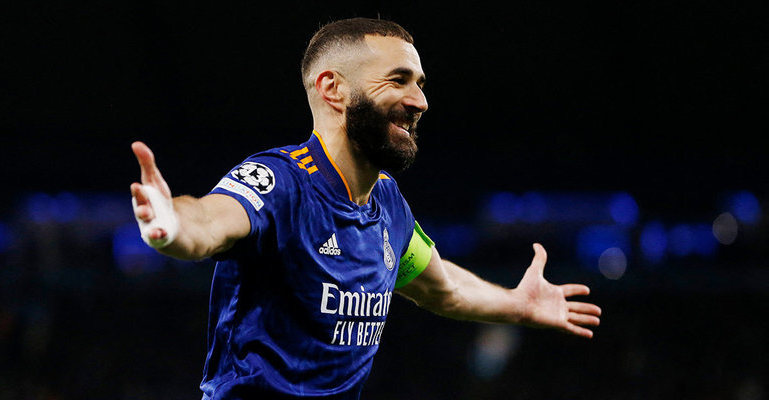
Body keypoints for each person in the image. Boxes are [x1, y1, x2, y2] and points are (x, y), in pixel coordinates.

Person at [130, 17, 601, 400]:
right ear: (332, 89)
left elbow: (443, 288)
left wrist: (517, 304)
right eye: (399, 80)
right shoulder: (281, 183)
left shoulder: (387, 202)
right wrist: (173, 223)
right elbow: (209, 220)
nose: (420, 101)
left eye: (420, 84)